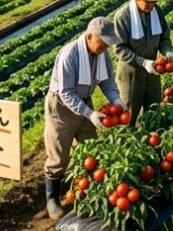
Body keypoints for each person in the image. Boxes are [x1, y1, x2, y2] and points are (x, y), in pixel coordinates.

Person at [44, 17, 125, 220]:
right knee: (59, 154)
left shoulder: (102, 54)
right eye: (102, 41)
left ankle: (89, 190)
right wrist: (89, 113)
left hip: (84, 101)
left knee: (90, 148)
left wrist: (117, 99)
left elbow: (106, 81)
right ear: (89, 37)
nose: (105, 46)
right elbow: (66, 92)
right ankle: (52, 199)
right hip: (61, 107)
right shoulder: (69, 55)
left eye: (108, 43)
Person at [114, 0, 173, 126]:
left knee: (153, 110)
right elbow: (119, 49)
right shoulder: (123, 16)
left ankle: (149, 141)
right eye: (147, 1)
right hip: (131, 73)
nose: (150, 5)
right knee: (129, 114)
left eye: (154, 1)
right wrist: (142, 62)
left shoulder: (157, 13)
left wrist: (167, 51)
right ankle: (129, 144)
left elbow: (164, 38)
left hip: (153, 71)